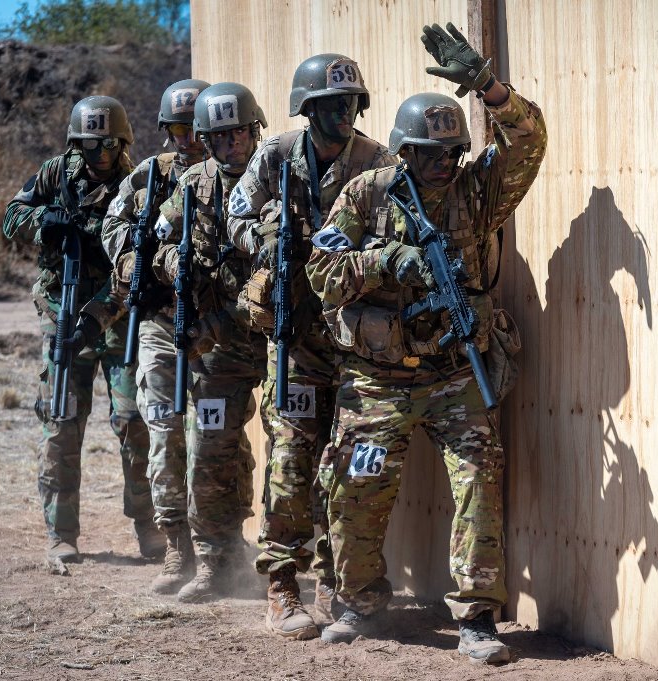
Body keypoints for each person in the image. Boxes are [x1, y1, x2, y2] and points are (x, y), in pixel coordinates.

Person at [305, 23, 547, 663]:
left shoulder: (475, 191)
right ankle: (359, 603)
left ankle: (477, 618)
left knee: (479, 481)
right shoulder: (367, 194)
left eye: (453, 153)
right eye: (431, 154)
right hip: (376, 379)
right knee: (355, 484)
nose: (445, 164)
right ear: (405, 153)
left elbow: (528, 142)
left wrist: (488, 87)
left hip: (453, 373)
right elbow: (322, 273)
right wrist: (386, 261)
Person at [226, 53, 396, 640]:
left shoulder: (377, 162)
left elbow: (404, 224)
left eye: (351, 103)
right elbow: (236, 215)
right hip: (296, 335)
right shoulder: (275, 156)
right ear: (308, 110)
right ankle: (281, 584)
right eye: (332, 105)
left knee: (346, 463)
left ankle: (335, 577)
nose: (345, 113)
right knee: (291, 460)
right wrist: (265, 235)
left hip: (356, 338)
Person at [3, 95, 163, 565]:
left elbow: (143, 256)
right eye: (90, 145)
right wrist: (44, 223)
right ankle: (62, 532)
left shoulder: (138, 183)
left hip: (116, 318)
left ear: (123, 143)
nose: (100, 154)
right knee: (62, 420)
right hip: (63, 314)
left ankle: (150, 527)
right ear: (76, 145)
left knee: (134, 421)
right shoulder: (55, 174)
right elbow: (12, 218)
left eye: (108, 144)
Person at [150, 82, 267, 603]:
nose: (230, 143)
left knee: (295, 452)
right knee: (210, 450)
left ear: (254, 130)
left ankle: (303, 566)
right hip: (220, 349)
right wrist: (175, 263)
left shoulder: (278, 174)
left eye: (238, 132)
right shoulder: (192, 184)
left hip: (282, 337)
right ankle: (217, 562)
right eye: (218, 136)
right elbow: (159, 243)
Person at [101, 79, 211, 594]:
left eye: (195, 129)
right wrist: (139, 258)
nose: (187, 140)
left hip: (215, 325)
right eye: (178, 130)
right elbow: (113, 230)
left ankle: (217, 544)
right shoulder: (149, 176)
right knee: (164, 433)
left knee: (214, 439)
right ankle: (176, 544)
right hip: (160, 324)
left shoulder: (234, 175)